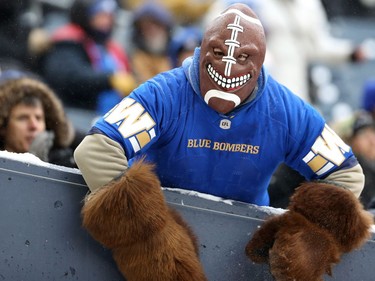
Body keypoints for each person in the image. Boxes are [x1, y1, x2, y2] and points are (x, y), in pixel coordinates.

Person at [74, 3, 365, 207]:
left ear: (260, 63)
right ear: (202, 51)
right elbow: (97, 151)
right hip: (162, 226)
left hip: (243, 246)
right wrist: (142, 222)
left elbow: (346, 175)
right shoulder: (165, 94)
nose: (228, 66)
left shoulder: (285, 110)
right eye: (218, 51)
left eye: (242, 58)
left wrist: (304, 229)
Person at [39, 0, 136, 115]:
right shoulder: (68, 41)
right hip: (77, 114)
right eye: (100, 14)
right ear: (85, 15)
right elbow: (70, 77)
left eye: (110, 15)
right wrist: (109, 80)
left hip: (111, 119)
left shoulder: (113, 49)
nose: (106, 21)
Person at [0, 71, 76, 167]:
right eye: (23, 118)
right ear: (3, 127)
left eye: (39, 118)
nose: (33, 126)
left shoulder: (65, 164)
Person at [129, 2, 175, 84]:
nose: (152, 32)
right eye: (147, 28)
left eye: (157, 26)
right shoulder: (138, 58)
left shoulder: (177, 52)